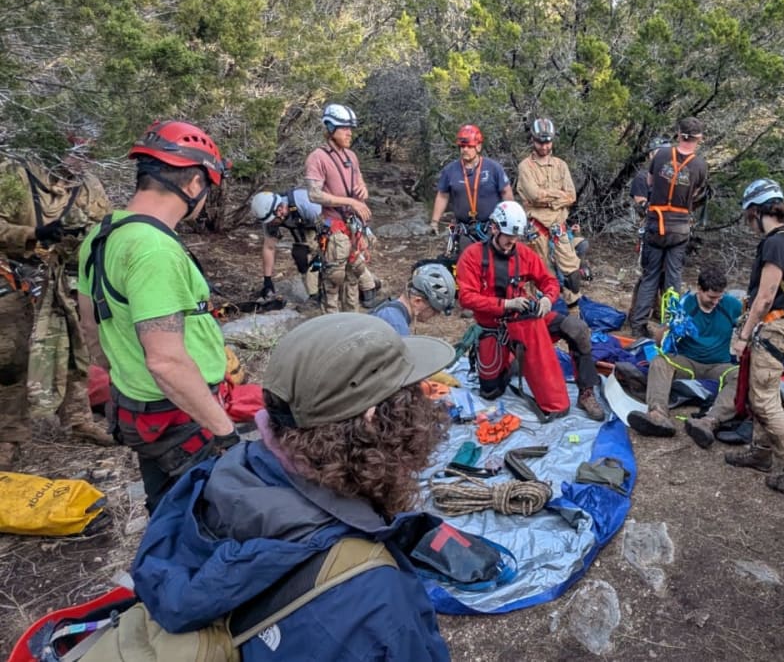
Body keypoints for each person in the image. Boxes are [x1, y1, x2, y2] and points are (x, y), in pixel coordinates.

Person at [132, 313, 453, 660]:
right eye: (410, 394)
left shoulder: (214, 480)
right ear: (374, 418)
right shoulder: (374, 595)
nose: (424, 404)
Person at [77, 120, 238, 511]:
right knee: (207, 520)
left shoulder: (104, 234)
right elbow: (165, 361)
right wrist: (225, 433)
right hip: (182, 418)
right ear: (194, 184)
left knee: (165, 510)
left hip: (140, 410)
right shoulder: (154, 250)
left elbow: (91, 328)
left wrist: (127, 373)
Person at [0, 156, 113, 467]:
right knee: (12, 360)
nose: (81, 154)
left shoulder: (89, 185)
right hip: (12, 277)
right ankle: (8, 438)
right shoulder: (14, 174)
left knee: (73, 352)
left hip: (61, 279)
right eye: (75, 145)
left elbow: (104, 225)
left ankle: (79, 421)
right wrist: (33, 233)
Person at [712, 179, 784, 496]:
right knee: (761, 395)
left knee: (765, 399)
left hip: (775, 329)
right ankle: (761, 452)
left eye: (750, 215)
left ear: (759, 211)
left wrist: (743, 336)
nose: (749, 222)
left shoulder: (775, 244)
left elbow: (766, 295)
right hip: (781, 327)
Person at [456, 201, 605, 421]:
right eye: (508, 238)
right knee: (490, 390)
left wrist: (547, 299)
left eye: (516, 238)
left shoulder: (523, 254)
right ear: (495, 228)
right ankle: (512, 363)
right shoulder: (472, 256)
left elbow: (549, 281)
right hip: (493, 327)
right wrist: (505, 305)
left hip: (524, 320)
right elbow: (466, 298)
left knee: (578, 329)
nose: (512, 243)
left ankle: (586, 392)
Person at [626, 264, 742, 444]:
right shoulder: (685, 304)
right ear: (700, 290)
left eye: (719, 297)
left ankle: (709, 421)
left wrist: (745, 337)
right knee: (660, 361)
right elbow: (659, 340)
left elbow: (748, 323)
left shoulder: (730, 305)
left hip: (719, 365)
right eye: (711, 297)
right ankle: (657, 414)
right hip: (687, 361)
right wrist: (670, 326)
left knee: (742, 375)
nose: (715, 302)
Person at [628, 118, 709, 339]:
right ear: (698, 139)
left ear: (678, 134)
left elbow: (651, 182)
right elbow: (696, 194)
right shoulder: (700, 165)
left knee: (650, 276)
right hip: (680, 227)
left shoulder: (662, 155)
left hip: (656, 223)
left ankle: (638, 325)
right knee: (673, 277)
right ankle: (672, 326)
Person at [304, 103, 382, 313]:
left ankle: (352, 321)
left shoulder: (351, 157)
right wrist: (350, 202)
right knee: (333, 280)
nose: (349, 133)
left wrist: (362, 191)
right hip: (334, 228)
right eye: (344, 128)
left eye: (350, 128)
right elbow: (314, 194)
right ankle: (332, 325)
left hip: (353, 227)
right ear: (330, 128)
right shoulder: (317, 157)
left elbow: (359, 180)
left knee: (354, 276)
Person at [516, 117, 585, 307]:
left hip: (559, 227)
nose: (545, 147)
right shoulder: (525, 167)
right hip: (537, 230)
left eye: (547, 142)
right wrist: (557, 197)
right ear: (533, 140)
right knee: (539, 274)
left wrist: (548, 199)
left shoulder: (561, 165)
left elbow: (571, 196)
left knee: (572, 272)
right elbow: (534, 195)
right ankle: (543, 314)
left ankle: (574, 314)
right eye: (540, 142)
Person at [429, 124, 514, 260]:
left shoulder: (493, 168)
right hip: (464, 230)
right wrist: (434, 221)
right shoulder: (450, 170)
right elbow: (443, 195)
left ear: (478, 147)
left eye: (469, 146)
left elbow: (506, 192)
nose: (465, 150)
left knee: (494, 263)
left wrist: (511, 219)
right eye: (462, 147)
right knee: (467, 264)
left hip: (491, 228)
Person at [250, 188, 322, 305]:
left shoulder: (306, 204)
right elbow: (269, 247)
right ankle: (315, 296)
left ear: (279, 210)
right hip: (304, 226)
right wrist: (267, 280)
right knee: (301, 256)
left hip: (326, 222)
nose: (270, 224)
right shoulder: (269, 216)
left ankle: (358, 289)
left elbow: (329, 226)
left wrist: (320, 253)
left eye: (272, 221)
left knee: (328, 258)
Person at [371, 261, 457, 336]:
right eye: (434, 311)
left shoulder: (391, 310)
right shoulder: (396, 326)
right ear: (417, 301)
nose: (435, 316)